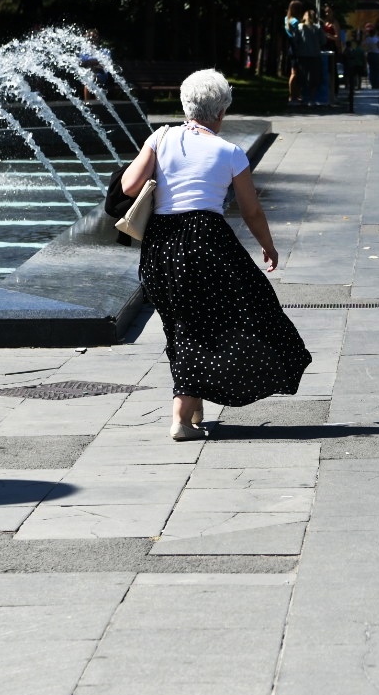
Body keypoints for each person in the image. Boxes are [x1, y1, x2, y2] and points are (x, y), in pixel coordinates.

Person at [120, 70, 311, 439]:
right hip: (206, 242)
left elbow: (129, 185)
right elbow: (251, 211)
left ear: (185, 105)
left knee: (181, 324)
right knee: (240, 313)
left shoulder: (160, 137)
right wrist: (268, 246)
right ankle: (180, 417)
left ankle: (193, 409)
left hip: (160, 245)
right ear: (222, 112)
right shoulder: (230, 153)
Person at [284, 0, 306, 105]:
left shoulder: (287, 19)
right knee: (295, 73)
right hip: (296, 48)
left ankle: (294, 94)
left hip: (291, 47)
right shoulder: (296, 22)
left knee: (294, 72)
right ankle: (293, 95)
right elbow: (299, 36)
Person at [362, 23, 379, 89]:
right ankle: (377, 84)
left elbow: (364, 45)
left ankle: (373, 83)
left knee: (371, 70)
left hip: (369, 54)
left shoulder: (367, 39)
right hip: (376, 54)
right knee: (378, 70)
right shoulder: (375, 39)